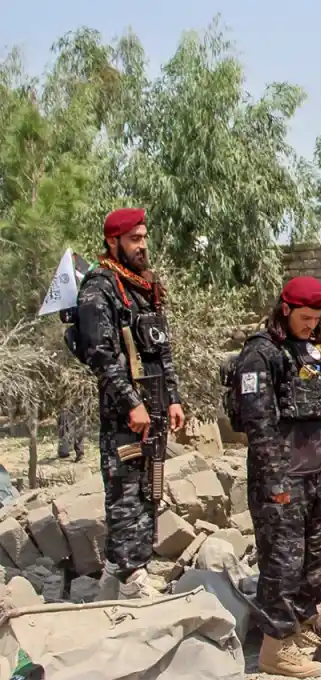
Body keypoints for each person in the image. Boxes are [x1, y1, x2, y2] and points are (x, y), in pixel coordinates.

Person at [233, 276, 321, 678]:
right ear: (285, 309)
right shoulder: (260, 355)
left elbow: (313, 404)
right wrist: (276, 485)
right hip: (280, 478)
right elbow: (258, 426)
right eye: (304, 317)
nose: (311, 325)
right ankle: (274, 651)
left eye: (317, 319)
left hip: (315, 474)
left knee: (318, 562)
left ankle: (296, 631)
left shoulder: (310, 352)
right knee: (282, 565)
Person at [76, 207, 185, 599]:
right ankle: (127, 577)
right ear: (113, 242)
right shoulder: (99, 287)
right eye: (134, 239)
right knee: (124, 491)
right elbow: (100, 355)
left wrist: (172, 398)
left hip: (153, 404)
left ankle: (135, 567)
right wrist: (130, 403)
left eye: (144, 237)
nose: (143, 246)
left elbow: (161, 351)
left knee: (148, 488)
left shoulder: (142, 286)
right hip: (126, 413)